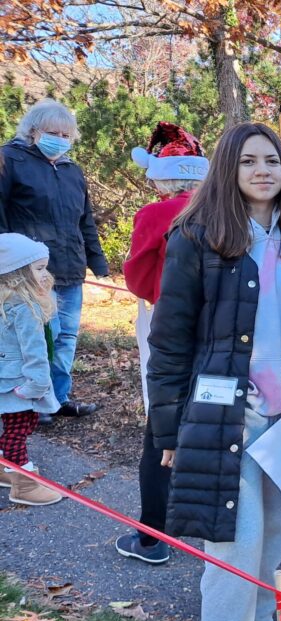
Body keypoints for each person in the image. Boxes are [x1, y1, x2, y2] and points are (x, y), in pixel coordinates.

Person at [146, 122, 281, 621]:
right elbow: (168, 340)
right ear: (227, 167)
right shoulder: (196, 237)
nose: (262, 170)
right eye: (249, 160)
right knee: (233, 551)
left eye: (272, 160)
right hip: (226, 420)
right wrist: (168, 429)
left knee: (273, 540)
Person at [115, 122, 209, 565]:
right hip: (219, 326)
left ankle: (153, 536)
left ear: (159, 177)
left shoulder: (154, 215)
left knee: (162, 421)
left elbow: (137, 278)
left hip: (165, 322)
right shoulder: (225, 210)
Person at [0, 98, 109, 423]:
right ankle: (30, 404)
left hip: (71, 268)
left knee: (65, 339)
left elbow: (85, 221)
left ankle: (57, 399)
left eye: (66, 135)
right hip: (28, 272)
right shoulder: (10, 160)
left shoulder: (73, 171)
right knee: (38, 339)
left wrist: (98, 263)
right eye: (53, 133)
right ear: (33, 131)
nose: (60, 140)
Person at [0, 233, 63, 505]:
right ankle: (23, 486)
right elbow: (35, 353)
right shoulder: (26, 308)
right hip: (21, 383)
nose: (45, 274)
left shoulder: (5, 303)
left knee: (14, 427)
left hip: (6, 380)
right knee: (18, 431)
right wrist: (37, 386)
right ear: (17, 274)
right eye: (39, 269)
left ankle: (5, 469)